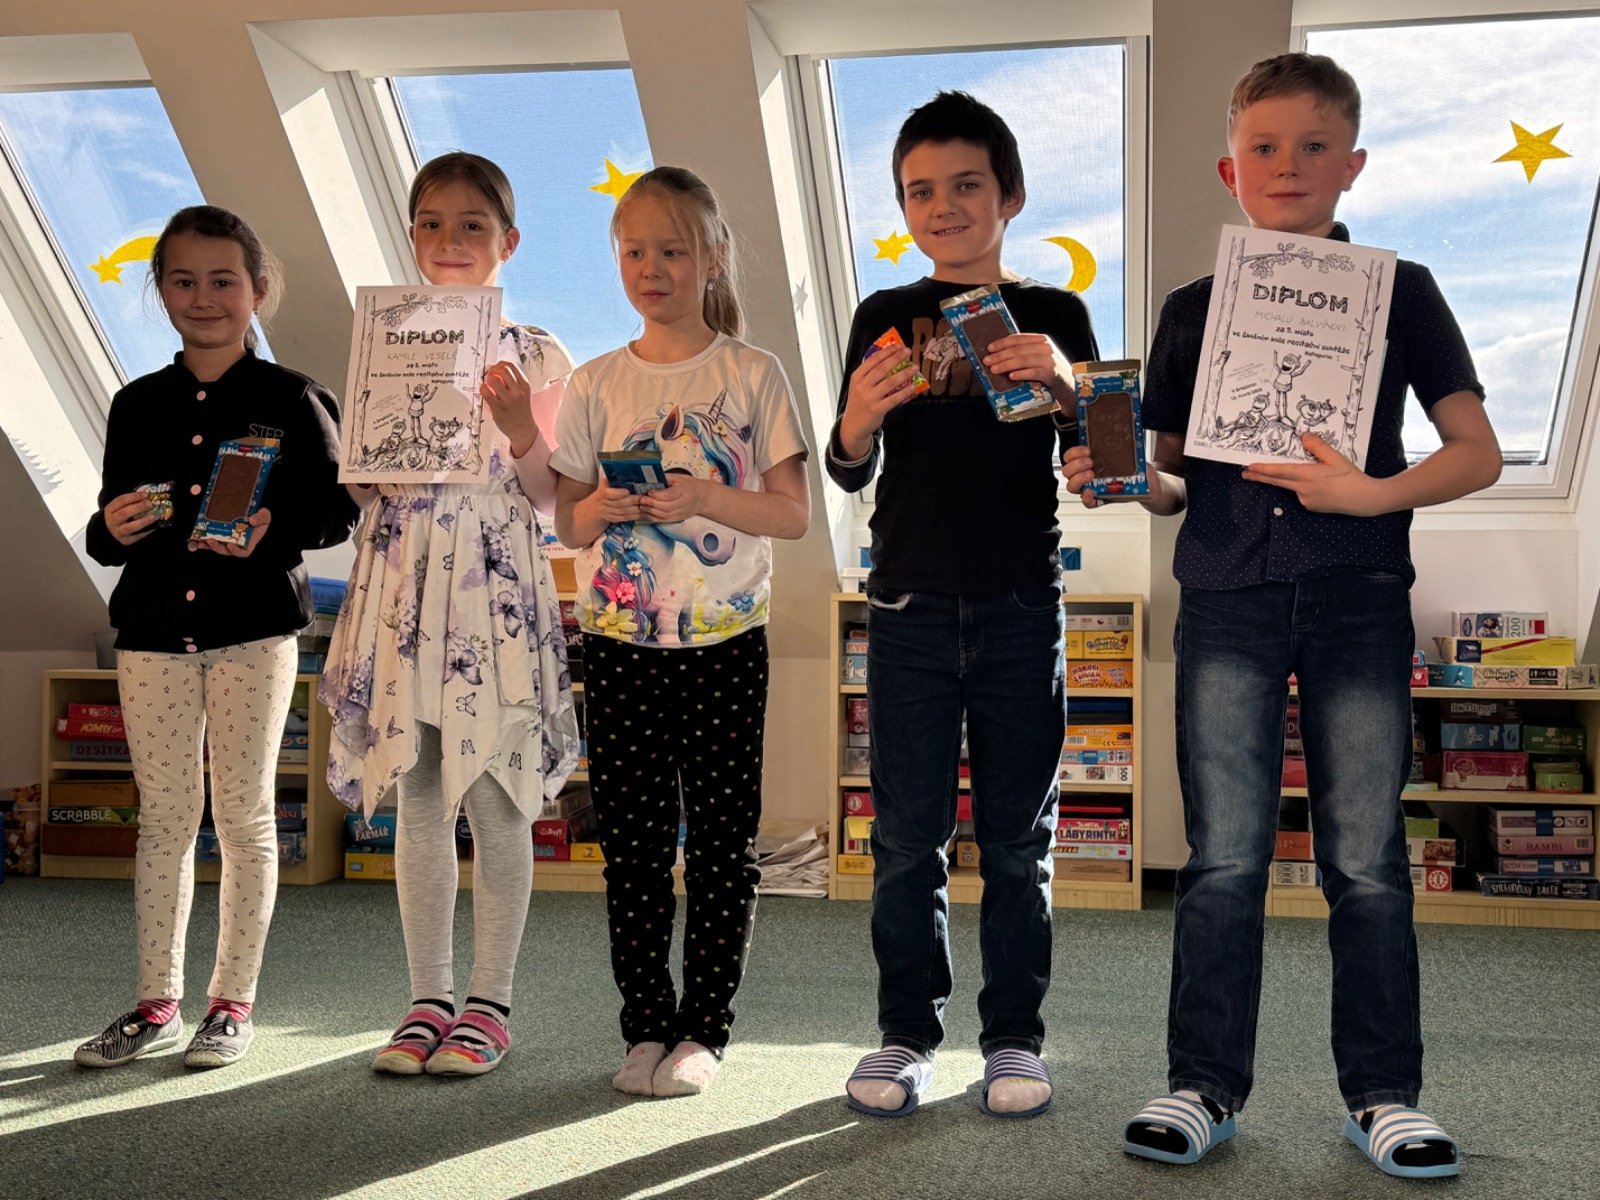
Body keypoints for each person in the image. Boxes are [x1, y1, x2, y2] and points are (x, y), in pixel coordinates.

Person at [1064, 53, 1500, 1178]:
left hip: (1358, 591)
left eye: (1314, 146)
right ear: (1230, 169)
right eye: (1264, 147)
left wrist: (1371, 494)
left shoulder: (1403, 291)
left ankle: (1385, 1097)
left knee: (1366, 857)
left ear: (1353, 164)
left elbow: (1476, 452)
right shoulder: (1190, 309)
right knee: (1223, 857)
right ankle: (1202, 1087)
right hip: (1225, 596)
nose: (1288, 165)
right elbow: (1169, 478)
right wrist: (1120, 481)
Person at [826, 91, 1098, 1119]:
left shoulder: (1058, 314)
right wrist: (854, 421)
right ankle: (905, 1035)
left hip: (1023, 603)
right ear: (903, 206)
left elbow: (1105, 462)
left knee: (1020, 842)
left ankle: (1015, 1040)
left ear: (1010, 196)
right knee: (907, 840)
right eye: (919, 191)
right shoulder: (880, 315)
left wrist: (1071, 388)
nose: (941, 206)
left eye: (966, 185)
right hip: (905, 608)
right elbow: (846, 468)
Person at [75, 205, 357, 1070]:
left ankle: (231, 1005)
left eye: (223, 280)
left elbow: (337, 511)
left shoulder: (294, 398)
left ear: (257, 290)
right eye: (184, 281)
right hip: (152, 632)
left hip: (253, 633)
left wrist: (273, 527)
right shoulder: (135, 404)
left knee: (243, 817)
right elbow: (107, 528)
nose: (204, 297)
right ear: (160, 291)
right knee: (163, 818)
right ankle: (155, 1003)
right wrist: (107, 528)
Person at [551, 165, 810, 1098]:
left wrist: (701, 496)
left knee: (721, 849)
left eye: (671, 250)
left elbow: (792, 515)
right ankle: (644, 1027)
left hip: (726, 647)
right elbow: (567, 522)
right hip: (620, 643)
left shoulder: (753, 372)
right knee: (632, 848)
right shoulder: (594, 381)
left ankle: (704, 1028)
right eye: (634, 251)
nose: (651, 268)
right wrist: (606, 506)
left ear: (713, 258)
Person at [320, 151, 580, 1077]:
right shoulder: (385, 339)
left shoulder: (540, 352)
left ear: (509, 240)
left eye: (473, 224)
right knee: (420, 788)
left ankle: (490, 1003)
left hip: (495, 582)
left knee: (499, 788)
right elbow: (364, 487)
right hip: (403, 577)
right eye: (432, 223)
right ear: (411, 236)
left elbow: (554, 498)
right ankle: (426, 998)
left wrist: (521, 430)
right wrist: (368, 457)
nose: (450, 240)